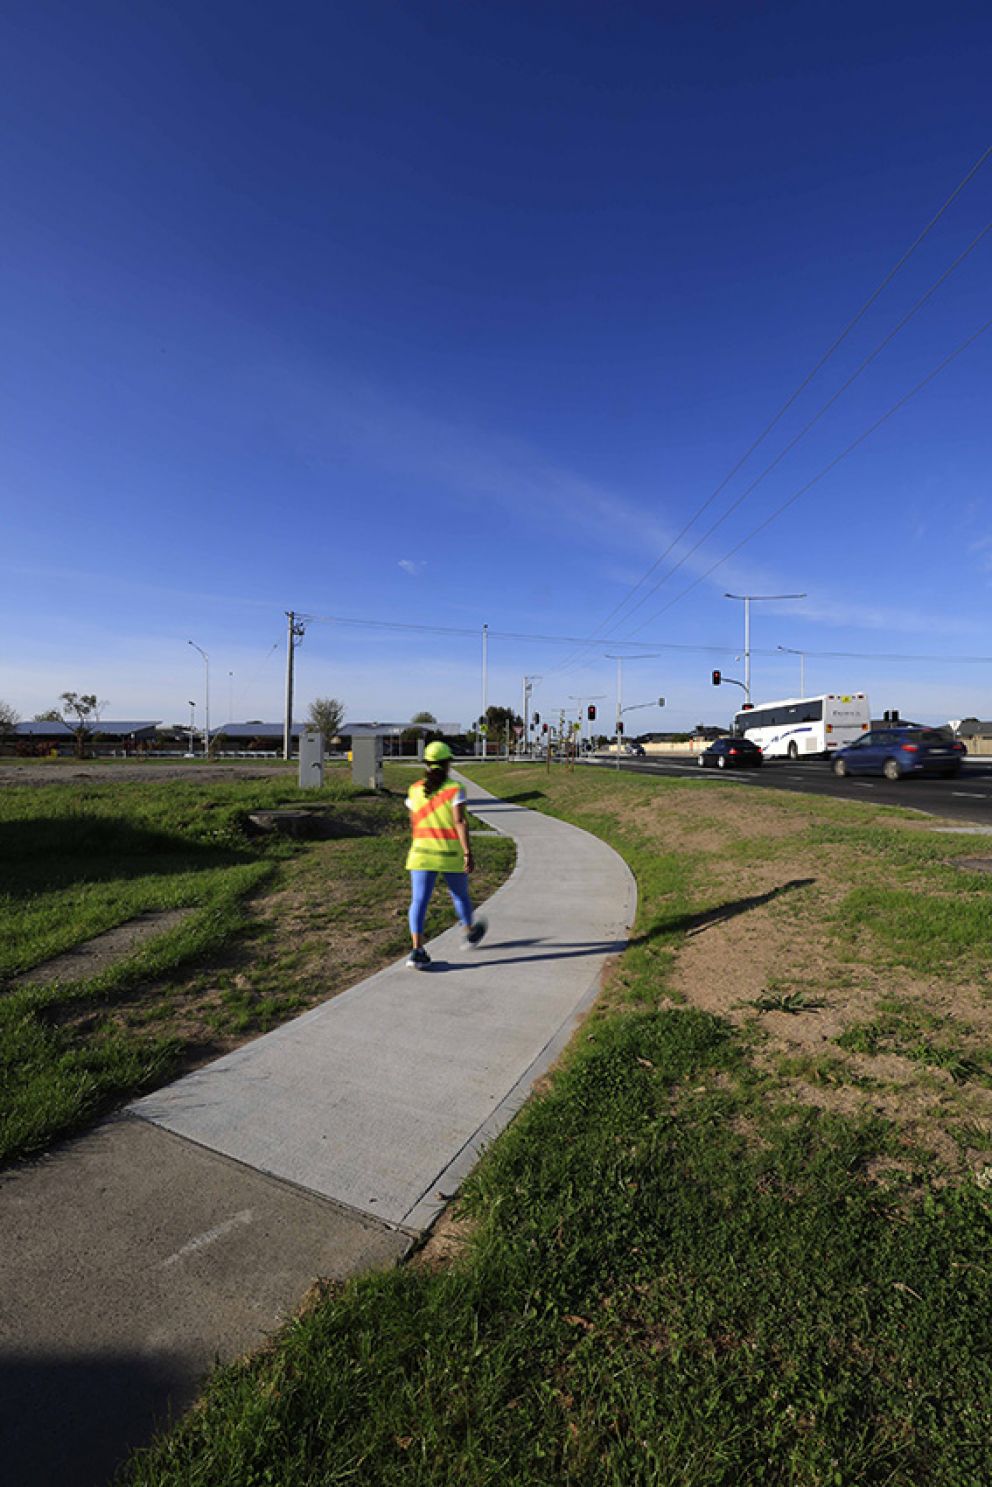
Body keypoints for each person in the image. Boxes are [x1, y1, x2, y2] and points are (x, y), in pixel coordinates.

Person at [404, 741, 487, 969]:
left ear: (427, 765)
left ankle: (417, 950)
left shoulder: (414, 790)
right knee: (460, 896)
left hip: (421, 853)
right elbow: (459, 822)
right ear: (447, 763)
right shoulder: (455, 788)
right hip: (449, 853)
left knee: (419, 900)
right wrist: (468, 852)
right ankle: (469, 931)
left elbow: (413, 822)